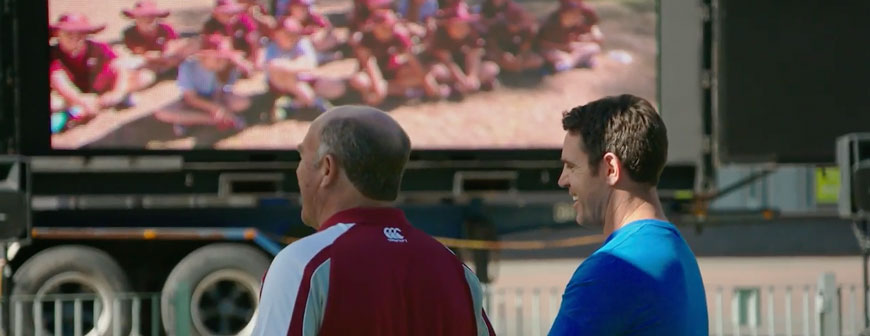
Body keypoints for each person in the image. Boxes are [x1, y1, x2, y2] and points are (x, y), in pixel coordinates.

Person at [252, 105, 495, 335]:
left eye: (302, 158)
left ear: (327, 169)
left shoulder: (303, 264)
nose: (298, 172)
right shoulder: (455, 271)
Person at [549, 94, 708, 335]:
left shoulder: (610, 271)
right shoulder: (680, 255)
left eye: (572, 166)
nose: (562, 180)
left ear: (611, 168)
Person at [49, 13, 146, 134]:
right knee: (54, 103)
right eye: (68, 33)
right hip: (70, 93)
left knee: (142, 77)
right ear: (58, 34)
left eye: (80, 34)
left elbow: (120, 65)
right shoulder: (52, 53)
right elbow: (58, 80)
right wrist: (82, 100)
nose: (74, 38)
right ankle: (75, 111)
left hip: (97, 88)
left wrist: (117, 91)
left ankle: (92, 106)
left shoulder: (97, 47)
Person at [154, 35, 252, 135]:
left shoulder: (226, 68)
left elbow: (219, 91)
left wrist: (217, 105)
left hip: (216, 98)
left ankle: (190, 120)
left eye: (224, 58)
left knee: (242, 102)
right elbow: (190, 98)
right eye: (217, 58)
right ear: (203, 57)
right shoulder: (187, 66)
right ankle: (214, 120)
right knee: (162, 113)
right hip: (193, 101)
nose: (222, 61)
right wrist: (215, 108)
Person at [349, 9, 449, 106]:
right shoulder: (365, 39)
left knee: (426, 73)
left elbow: (413, 61)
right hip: (370, 75)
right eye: (384, 27)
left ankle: (397, 91)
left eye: (391, 26)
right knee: (359, 81)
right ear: (375, 26)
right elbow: (370, 65)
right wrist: (379, 88)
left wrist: (429, 84)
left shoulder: (399, 35)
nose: (389, 29)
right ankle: (404, 92)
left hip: (392, 71)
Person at [265, 17, 346, 119]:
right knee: (286, 74)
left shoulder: (302, 43)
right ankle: (315, 104)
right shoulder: (272, 47)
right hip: (282, 85)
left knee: (337, 88)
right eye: (285, 34)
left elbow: (310, 65)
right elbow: (273, 66)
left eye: (292, 34)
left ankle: (292, 105)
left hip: (304, 80)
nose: (289, 37)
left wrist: (290, 65)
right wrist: (296, 65)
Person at [426, 3, 499, 96]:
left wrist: (472, 77)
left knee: (491, 68)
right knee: (437, 71)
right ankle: (456, 87)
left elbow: (474, 54)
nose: (461, 26)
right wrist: (462, 79)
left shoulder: (471, 31)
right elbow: (448, 61)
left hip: (465, 66)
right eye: (456, 24)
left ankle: (464, 87)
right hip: (448, 69)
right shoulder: (441, 35)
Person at [121, 1, 195, 81]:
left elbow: (173, 48)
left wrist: (164, 57)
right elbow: (140, 53)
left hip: (167, 60)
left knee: (185, 57)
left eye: (151, 16)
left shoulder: (166, 28)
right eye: (142, 16)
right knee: (132, 63)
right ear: (135, 18)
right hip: (147, 62)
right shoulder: (129, 33)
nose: (147, 20)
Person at [537, 0, 602, 72]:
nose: (577, 16)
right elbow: (542, 45)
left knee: (594, 48)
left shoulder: (578, 21)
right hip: (554, 50)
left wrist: (589, 37)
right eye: (573, 13)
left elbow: (596, 35)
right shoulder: (550, 23)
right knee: (554, 55)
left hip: (570, 50)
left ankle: (570, 63)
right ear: (563, 13)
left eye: (578, 13)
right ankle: (573, 62)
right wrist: (565, 47)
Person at [484, 4, 543, 73]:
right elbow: (492, 43)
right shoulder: (498, 26)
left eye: (517, 23)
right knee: (489, 55)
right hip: (501, 53)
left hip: (518, 55)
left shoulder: (528, 29)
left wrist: (520, 56)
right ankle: (509, 68)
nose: (514, 26)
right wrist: (502, 54)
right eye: (511, 22)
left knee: (538, 60)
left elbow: (526, 46)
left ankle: (513, 68)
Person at [202, 0, 261, 65]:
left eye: (231, 12)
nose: (230, 15)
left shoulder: (244, 19)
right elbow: (212, 45)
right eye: (225, 13)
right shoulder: (210, 25)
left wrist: (254, 61)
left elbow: (254, 39)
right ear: (216, 14)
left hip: (245, 57)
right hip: (221, 60)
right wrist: (233, 56)